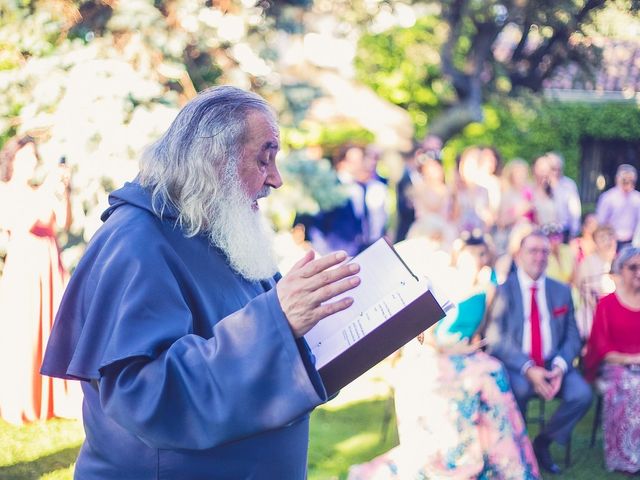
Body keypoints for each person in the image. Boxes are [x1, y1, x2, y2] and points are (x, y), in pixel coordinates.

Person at [40, 86, 362, 479]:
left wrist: (373, 320)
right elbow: (146, 396)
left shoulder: (218, 227)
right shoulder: (136, 242)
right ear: (214, 159)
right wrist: (276, 318)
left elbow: (284, 339)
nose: (276, 179)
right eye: (264, 159)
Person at [348, 234, 540, 479]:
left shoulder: (486, 285)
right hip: (434, 352)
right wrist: (450, 349)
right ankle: (456, 456)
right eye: (472, 255)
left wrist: (486, 292)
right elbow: (425, 334)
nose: (478, 260)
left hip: (466, 353)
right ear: (460, 255)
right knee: (455, 386)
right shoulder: (443, 281)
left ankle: (500, 460)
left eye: (482, 255)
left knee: (493, 373)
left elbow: (480, 328)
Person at [485, 231, 592, 474]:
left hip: (555, 365)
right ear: (519, 255)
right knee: (518, 390)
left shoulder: (561, 291)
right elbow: (495, 338)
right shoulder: (504, 290)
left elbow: (573, 336)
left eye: (544, 251)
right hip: (519, 367)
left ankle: (542, 443)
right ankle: (516, 453)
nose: (539, 256)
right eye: (533, 250)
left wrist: (560, 368)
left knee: (582, 394)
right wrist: (528, 368)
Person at [0, 134, 82, 425]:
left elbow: (64, 223)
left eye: (35, 156)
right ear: (14, 159)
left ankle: (54, 399)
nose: (32, 162)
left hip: (50, 266)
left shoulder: (40, 190)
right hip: (24, 268)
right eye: (26, 157)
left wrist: (66, 190)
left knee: (52, 332)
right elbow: (23, 222)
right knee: (25, 333)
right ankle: (25, 401)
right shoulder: (6, 190)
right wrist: (48, 186)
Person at [583, 247, 640, 474]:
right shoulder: (607, 304)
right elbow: (602, 347)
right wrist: (632, 359)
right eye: (633, 267)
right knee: (631, 386)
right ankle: (626, 456)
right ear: (620, 270)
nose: (638, 273)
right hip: (616, 365)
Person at [574, 224, 617, 339]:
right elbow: (584, 290)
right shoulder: (588, 263)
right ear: (595, 242)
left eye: (610, 236)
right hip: (594, 314)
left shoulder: (619, 263)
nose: (607, 241)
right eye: (602, 238)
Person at [596, 164, 640, 252]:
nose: (627, 182)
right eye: (624, 179)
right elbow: (601, 221)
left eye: (630, 180)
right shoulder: (608, 197)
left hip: (632, 242)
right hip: (611, 241)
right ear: (617, 179)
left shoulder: (637, 198)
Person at [547, 152, 581, 242]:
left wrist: (574, 232)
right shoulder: (543, 185)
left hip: (563, 231)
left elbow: (575, 211)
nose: (556, 172)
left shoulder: (569, 184)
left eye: (559, 169)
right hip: (545, 230)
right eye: (553, 169)